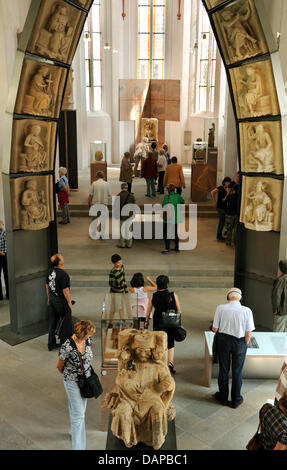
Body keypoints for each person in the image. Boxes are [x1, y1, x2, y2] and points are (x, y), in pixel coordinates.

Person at [105, 329, 175, 450]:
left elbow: (168, 381)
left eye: (147, 351)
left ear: (152, 351)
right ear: (134, 350)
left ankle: (156, 440)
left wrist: (165, 384)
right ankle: (128, 439)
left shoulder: (158, 366)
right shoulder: (129, 365)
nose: (143, 354)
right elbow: (120, 381)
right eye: (139, 351)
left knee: (158, 411)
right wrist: (129, 387)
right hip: (130, 400)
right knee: (122, 411)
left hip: (151, 400)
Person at [212, 287, 255, 408]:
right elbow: (248, 333)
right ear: (240, 298)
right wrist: (244, 344)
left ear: (228, 297)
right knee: (237, 371)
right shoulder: (247, 310)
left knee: (224, 369)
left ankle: (223, 397)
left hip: (223, 341)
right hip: (240, 342)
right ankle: (236, 400)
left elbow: (215, 329)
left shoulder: (221, 308)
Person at [56, 320, 96, 450]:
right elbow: (59, 366)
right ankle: (78, 447)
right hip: (72, 381)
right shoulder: (67, 346)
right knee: (79, 415)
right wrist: (70, 376)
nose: (90, 337)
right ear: (82, 334)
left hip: (85, 381)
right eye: (88, 335)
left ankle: (73, 432)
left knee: (78, 410)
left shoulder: (87, 341)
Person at [145, 274, 182, 375]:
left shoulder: (153, 295)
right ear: (167, 284)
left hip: (158, 321)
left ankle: (161, 365)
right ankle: (170, 364)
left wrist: (146, 321)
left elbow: (148, 310)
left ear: (157, 284)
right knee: (170, 343)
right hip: (170, 322)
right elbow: (179, 310)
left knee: (159, 343)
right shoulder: (173, 295)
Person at [46, 253, 73, 350]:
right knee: (66, 322)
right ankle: (65, 344)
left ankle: (51, 344)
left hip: (53, 300)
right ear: (60, 262)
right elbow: (65, 290)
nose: (62, 257)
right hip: (61, 301)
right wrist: (69, 302)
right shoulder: (63, 274)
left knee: (53, 322)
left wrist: (49, 298)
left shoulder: (50, 271)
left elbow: (47, 285)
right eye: (61, 257)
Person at [161, 183, 185, 254]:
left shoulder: (166, 197)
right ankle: (177, 247)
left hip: (167, 219)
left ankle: (167, 248)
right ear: (174, 189)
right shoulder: (178, 196)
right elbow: (183, 202)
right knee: (175, 233)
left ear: (168, 190)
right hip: (175, 218)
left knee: (166, 233)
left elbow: (163, 206)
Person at [109, 254, 129, 322]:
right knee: (113, 308)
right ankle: (110, 322)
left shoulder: (122, 267)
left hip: (121, 291)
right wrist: (120, 284)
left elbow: (123, 278)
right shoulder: (113, 272)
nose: (119, 264)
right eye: (117, 263)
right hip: (115, 293)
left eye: (120, 262)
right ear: (113, 263)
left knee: (121, 307)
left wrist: (126, 291)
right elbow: (111, 284)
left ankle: (123, 320)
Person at [211, 176, 231, 241]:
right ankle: (219, 236)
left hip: (225, 207)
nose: (228, 183)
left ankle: (219, 236)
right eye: (227, 182)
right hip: (220, 207)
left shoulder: (228, 189)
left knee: (222, 222)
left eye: (229, 182)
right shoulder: (220, 188)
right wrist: (214, 201)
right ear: (224, 182)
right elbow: (212, 192)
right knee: (221, 222)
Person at [116, 182, 135, 248]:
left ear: (121, 188)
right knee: (129, 230)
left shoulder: (118, 195)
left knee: (122, 230)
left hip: (122, 216)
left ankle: (122, 244)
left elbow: (116, 207)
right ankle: (129, 244)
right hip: (129, 215)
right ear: (127, 188)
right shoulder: (131, 195)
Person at [272, 260, 287, 332]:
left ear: (280, 268)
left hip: (281, 310)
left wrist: (275, 309)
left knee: (278, 332)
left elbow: (276, 296)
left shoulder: (280, 280)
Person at [223, 181, 238, 247]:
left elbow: (225, 202)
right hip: (236, 214)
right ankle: (235, 242)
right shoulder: (239, 198)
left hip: (229, 214)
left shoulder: (230, 196)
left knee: (229, 229)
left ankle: (228, 242)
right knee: (235, 230)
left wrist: (228, 193)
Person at [0, 220, 9, 300]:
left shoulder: (4, 233)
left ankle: (9, 294)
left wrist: (4, 253)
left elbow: (6, 245)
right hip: (0, 254)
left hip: (4, 256)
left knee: (7, 274)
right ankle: (0, 296)